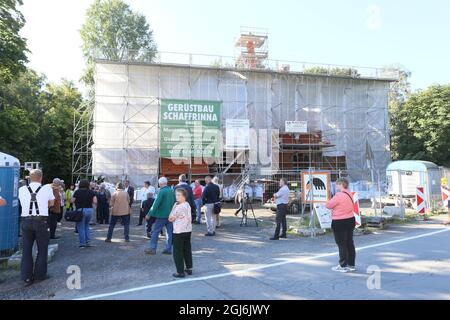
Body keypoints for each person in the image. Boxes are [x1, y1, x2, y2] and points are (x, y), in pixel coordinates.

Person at [18, 169, 55, 286]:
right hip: (41, 221)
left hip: (26, 220)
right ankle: (40, 275)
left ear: (29, 177)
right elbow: (52, 203)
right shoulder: (47, 188)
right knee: (42, 249)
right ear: (41, 177)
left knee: (27, 250)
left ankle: (26, 277)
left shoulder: (21, 189)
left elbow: (21, 202)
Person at [326, 177, 356, 273]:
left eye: (337, 184)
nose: (336, 186)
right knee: (349, 242)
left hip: (339, 221)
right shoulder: (350, 194)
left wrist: (328, 200)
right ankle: (351, 264)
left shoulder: (338, 195)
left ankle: (343, 265)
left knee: (341, 243)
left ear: (341, 185)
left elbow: (329, 205)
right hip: (350, 219)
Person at [145, 177, 175, 255]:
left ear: (160, 183)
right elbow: (175, 203)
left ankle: (152, 248)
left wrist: (149, 214)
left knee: (155, 232)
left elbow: (155, 204)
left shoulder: (161, 191)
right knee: (169, 232)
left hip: (161, 215)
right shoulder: (172, 190)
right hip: (170, 215)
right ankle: (168, 249)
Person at [169, 188, 193, 278]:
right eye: (176, 195)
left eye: (179, 195)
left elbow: (170, 218)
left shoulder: (179, 206)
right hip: (187, 230)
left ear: (184, 196)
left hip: (179, 231)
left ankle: (180, 271)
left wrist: (174, 207)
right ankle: (189, 268)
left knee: (177, 251)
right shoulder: (187, 204)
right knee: (187, 249)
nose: (177, 197)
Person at [71, 179, 97, 249]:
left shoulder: (77, 192)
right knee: (86, 226)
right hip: (89, 210)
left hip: (80, 211)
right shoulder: (91, 192)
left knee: (81, 227)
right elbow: (95, 201)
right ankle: (88, 242)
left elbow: (72, 201)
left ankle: (82, 244)